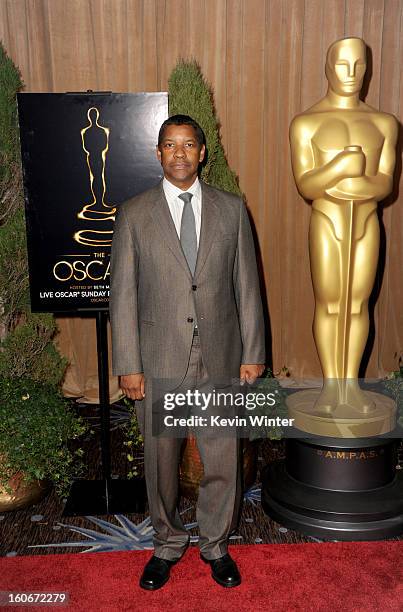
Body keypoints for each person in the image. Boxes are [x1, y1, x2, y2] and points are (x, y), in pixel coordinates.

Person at [110, 114, 265, 589]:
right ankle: (166, 543)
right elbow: (124, 296)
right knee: (160, 465)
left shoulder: (232, 209)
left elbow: (248, 287)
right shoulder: (134, 213)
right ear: (158, 154)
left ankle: (216, 545)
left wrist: (254, 351)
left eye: (188, 145)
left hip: (220, 357)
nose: (179, 153)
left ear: (203, 153)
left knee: (221, 461)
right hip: (158, 360)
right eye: (170, 145)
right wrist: (128, 365)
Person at [290, 37, 397, 412]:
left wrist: (359, 184)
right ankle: (330, 388)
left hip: (366, 220)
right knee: (330, 303)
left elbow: (385, 183)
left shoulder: (384, 123)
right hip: (327, 219)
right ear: (327, 67)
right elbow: (306, 184)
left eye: (359, 65)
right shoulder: (306, 123)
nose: (351, 74)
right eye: (341, 64)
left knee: (358, 304)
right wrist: (339, 168)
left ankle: (350, 386)